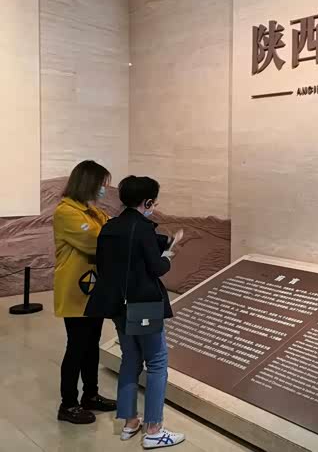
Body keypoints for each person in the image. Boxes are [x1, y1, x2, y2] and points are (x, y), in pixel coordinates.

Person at [85, 176, 185, 449]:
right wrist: (167, 256)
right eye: (155, 201)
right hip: (143, 305)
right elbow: (157, 267)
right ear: (148, 202)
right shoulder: (142, 228)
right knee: (157, 362)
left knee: (130, 360)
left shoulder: (109, 227)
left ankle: (130, 422)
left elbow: (105, 265)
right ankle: (154, 429)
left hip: (117, 305)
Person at [53, 160, 117, 424]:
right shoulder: (66, 212)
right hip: (76, 292)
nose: (104, 189)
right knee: (77, 347)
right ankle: (68, 404)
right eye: (102, 184)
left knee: (92, 346)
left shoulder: (93, 212)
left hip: (94, 292)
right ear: (89, 183)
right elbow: (97, 242)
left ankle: (90, 395)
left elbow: (111, 229)